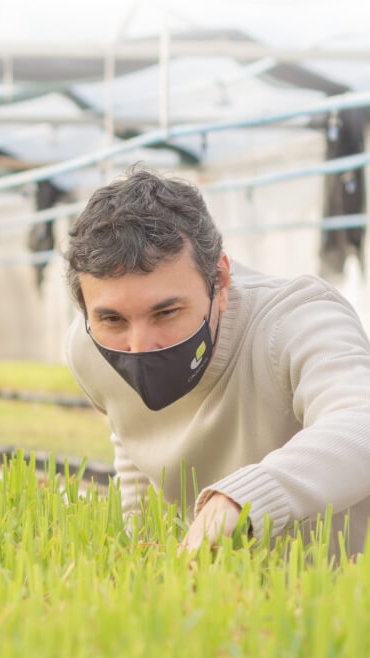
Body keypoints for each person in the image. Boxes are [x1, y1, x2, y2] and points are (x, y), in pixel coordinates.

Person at [64, 168, 370, 555]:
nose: (140, 345)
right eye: (112, 319)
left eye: (167, 312)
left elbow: (362, 422)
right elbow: (133, 438)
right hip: (223, 595)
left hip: (336, 593)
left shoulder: (296, 319)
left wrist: (244, 499)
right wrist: (142, 540)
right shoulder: (86, 348)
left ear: (220, 281)